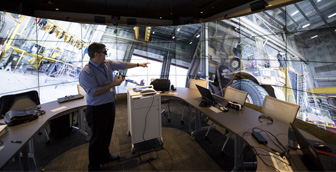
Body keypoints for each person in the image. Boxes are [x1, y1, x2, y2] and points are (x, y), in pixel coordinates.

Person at [79, 42, 149, 171]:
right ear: (96, 54)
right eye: (104, 52)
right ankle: (93, 166)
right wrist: (114, 84)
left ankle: (105, 156)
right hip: (96, 109)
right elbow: (94, 92)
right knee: (97, 138)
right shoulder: (86, 72)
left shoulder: (106, 64)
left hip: (109, 106)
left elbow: (123, 64)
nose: (106, 54)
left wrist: (139, 64)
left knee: (107, 134)